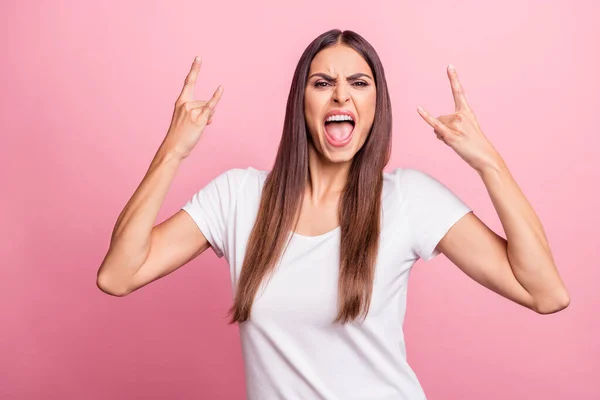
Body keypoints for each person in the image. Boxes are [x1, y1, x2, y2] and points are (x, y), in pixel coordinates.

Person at [96, 29, 570, 400]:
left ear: (374, 105)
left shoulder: (408, 199)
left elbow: (545, 292)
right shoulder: (238, 197)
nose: (341, 95)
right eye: (323, 83)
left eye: (359, 83)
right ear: (301, 103)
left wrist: (488, 162)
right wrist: (172, 152)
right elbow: (118, 275)